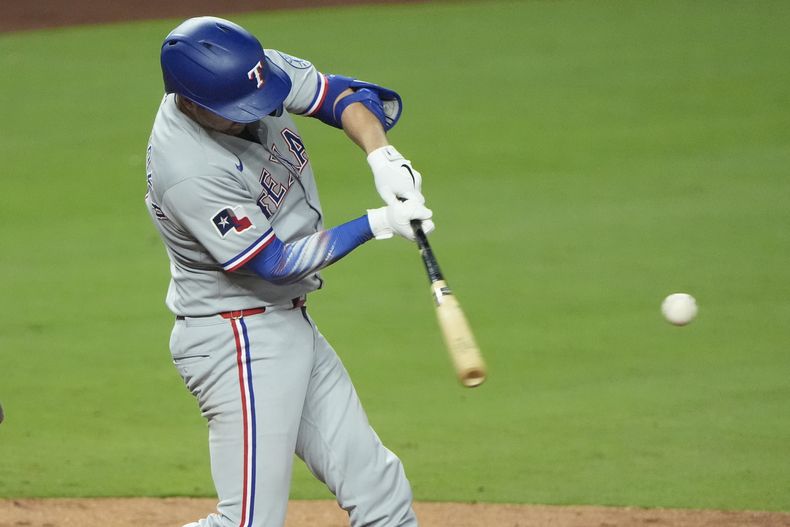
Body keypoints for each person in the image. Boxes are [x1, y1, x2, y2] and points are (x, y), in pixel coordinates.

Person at [144, 15, 433, 527]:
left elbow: (341, 96)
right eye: (236, 112)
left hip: (285, 324)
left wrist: (383, 156)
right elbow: (274, 262)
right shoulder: (187, 168)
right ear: (190, 101)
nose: (257, 112)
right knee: (247, 523)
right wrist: (377, 222)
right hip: (238, 339)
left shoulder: (244, 75)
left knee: (378, 489)